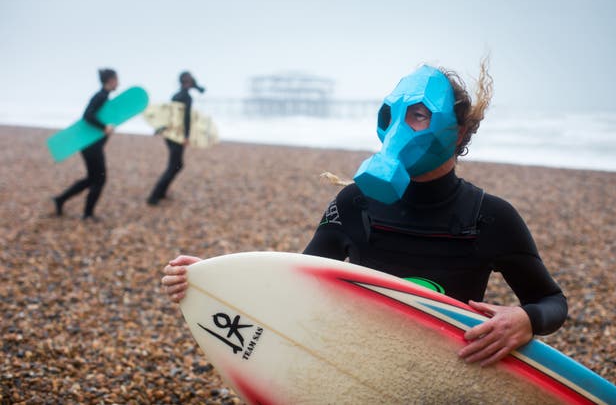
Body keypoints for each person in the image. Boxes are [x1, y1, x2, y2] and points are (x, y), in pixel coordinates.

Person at [161, 60, 568, 367]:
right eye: (393, 115)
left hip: (444, 370)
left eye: (420, 115)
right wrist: (213, 280)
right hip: (355, 362)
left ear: (457, 132)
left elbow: (550, 300)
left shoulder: (490, 216)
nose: (401, 129)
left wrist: (526, 320)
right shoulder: (354, 202)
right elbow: (296, 282)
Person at [52, 68, 117, 221]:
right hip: (90, 145)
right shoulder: (100, 96)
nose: (118, 83)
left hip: (91, 145)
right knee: (100, 179)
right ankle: (88, 214)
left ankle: (60, 199)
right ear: (111, 80)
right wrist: (104, 127)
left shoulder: (104, 96)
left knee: (91, 178)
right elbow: (87, 115)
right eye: (116, 79)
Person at [147, 71, 205, 205]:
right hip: (177, 135)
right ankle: (154, 197)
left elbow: (169, 115)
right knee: (175, 166)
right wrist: (186, 136)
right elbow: (186, 118)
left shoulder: (176, 95)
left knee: (176, 165)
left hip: (170, 134)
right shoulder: (186, 97)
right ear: (188, 82)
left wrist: (160, 128)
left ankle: (161, 193)